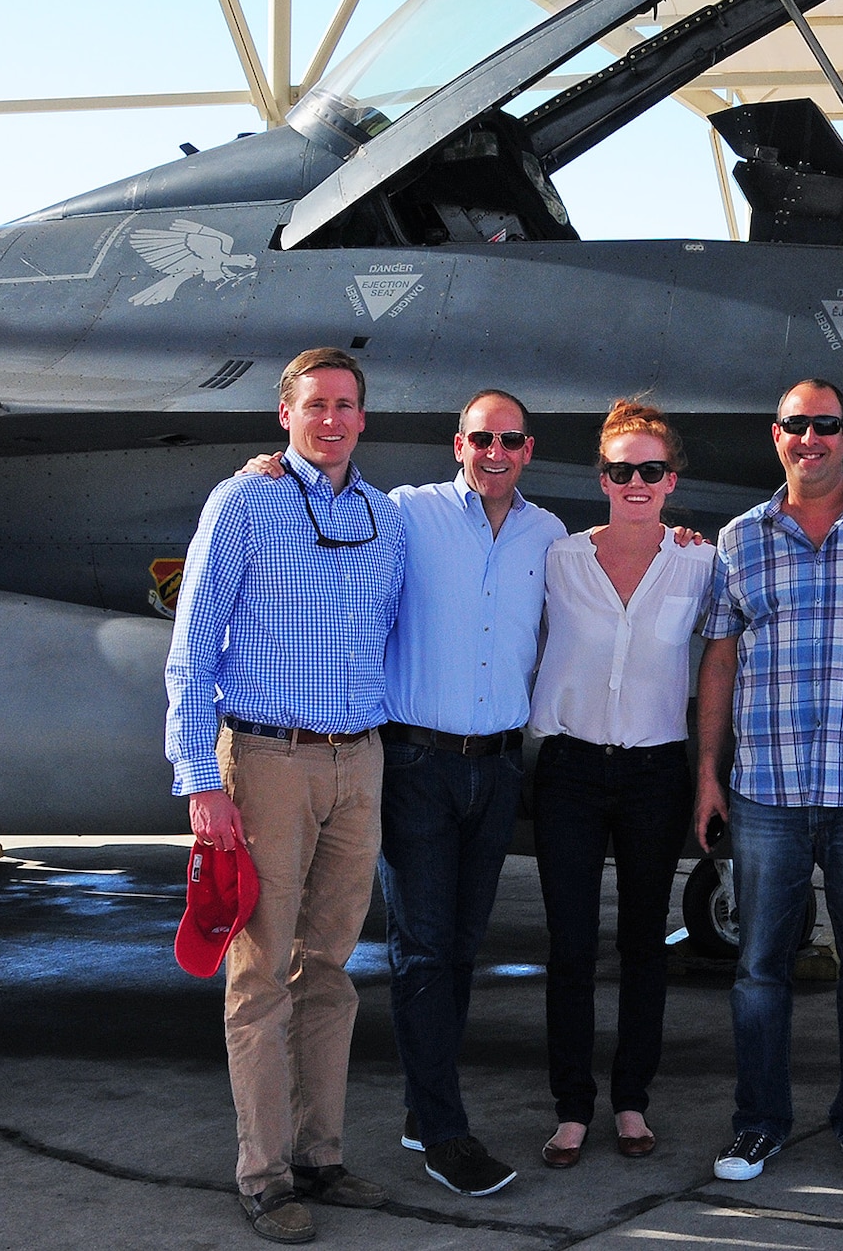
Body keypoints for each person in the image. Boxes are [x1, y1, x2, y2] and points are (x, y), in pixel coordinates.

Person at [234, 389, 568, 1198]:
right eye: (480, 438)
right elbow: (331, 482)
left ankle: (425, 1108)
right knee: (421, 947)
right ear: (458, 444)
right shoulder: (406, 513)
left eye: (511, 440)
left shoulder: (549, 535)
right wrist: (268, 470)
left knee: (460, 945)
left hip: (496, 768)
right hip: (416, 763)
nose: (495, 452)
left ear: (529, 449)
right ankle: (443, 1132)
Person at [166, 348, 407, 1245]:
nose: (332, 420)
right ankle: (264, 1176)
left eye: (346, 405)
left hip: (359, 760)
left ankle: (321, 1155)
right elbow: (192, 648)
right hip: (267, 756)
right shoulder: (242, 502)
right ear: (285, 415)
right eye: (316, 406)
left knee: (331, 969)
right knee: (261, 972)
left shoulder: (385, 518)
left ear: (363, 418)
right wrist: (199, 779)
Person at [693, 378, 843, 1186]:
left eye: (825, 424)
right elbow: (719, 660)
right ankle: (759, 1123)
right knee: (760, 968)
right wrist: (707, 775)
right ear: (776, 435)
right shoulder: (737, 539)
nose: (811, 438)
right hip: (767, 792)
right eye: (797, 425)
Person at [532, 400, 716, 1170]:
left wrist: (709, 775)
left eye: (650, 469)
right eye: (620, 470)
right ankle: (572, 1109)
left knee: (645, 944)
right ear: (600, 477)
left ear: (671, 480)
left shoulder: (702, 562)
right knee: (570, 946)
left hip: (654, 773)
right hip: (569, 770)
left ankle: (632, 1100)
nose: (635, 482)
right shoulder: (557, 558)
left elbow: (722, 665)